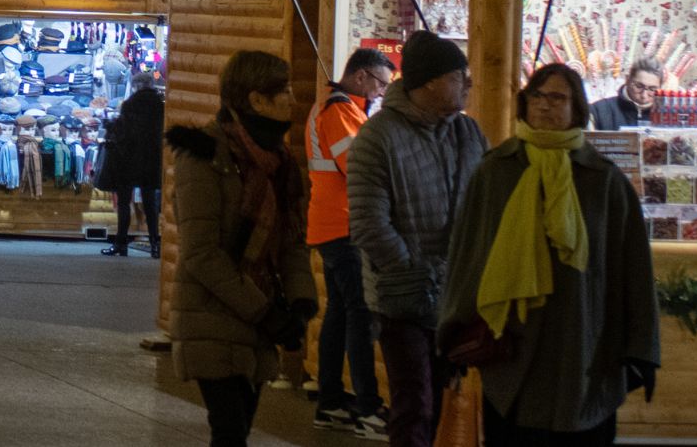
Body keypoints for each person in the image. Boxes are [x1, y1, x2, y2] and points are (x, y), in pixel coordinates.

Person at [440, 64, 661, 446]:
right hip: (512, 351)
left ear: (577, 108)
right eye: (537, 96)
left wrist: (640, 348)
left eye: (557, 97)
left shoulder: (603, 180)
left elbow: (633, 271)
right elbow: (468, 255)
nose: (544, 105)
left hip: (583, 348)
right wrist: (452, 331)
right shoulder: (495, 172)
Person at [164, 49, 315, 447]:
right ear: (257, 100)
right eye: (284, 91)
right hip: (210, 314)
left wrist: (300, 302)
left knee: (238, 430)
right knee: (230, 431)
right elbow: (201, 254)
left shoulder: (280, 162)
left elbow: (290, 239)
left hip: (256, 316)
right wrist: (265, 313)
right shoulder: (203, 154)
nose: (293, 99)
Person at [346, 29, 488, 447]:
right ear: (427, 83)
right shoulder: (378, 136)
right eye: (458, 76)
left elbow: (488, 204)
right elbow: (368, 223)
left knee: (442, 402)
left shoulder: (469, 133)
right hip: (402, 298)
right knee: (415, 405)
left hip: (458, 297)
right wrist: (415, 272)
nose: (468, 84)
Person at [308, 47, 397, 437]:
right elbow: (358, 168)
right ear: (361, 76)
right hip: (344, 225)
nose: (381, 92)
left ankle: (330, 402)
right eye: (381, 84)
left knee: (341, 313)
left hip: (331, 224)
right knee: (360, 314)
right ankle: (368, 408)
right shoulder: (341, 112)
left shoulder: (334, 107)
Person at [95, 70, 164, 256]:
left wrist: (110, 125)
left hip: (128, 160)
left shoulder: (130, 105)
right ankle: (155, 245)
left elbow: (124, 133)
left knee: (124, 203)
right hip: (151, 160)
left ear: (136, 86)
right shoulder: (160, 105)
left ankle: (121, 244)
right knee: (150, 204)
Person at [589, 59, 663, 131]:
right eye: (638, 86)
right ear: (627, 80)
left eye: (652, 89)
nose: (644, 95)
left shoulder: (665, 116)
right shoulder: (597, 111)